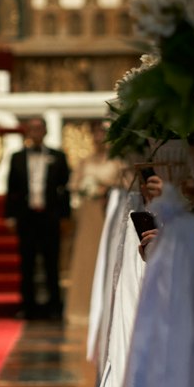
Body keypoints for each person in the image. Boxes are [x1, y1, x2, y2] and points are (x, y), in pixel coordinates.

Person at [5, 115, 71, 320]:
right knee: (28, 263)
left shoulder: (58, 156)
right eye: (32, 128)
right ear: (27, 132)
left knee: (52, 262)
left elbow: (65, 188)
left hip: (50, 216)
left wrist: (65, 215)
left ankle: (54, 307)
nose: (35, 132)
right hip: (27, 217)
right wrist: (10, 216)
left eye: (39, 128)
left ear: (45, 131)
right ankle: (28, 307)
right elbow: (12, 189)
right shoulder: (17, 157)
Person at [66, 121, 122, 325]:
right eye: (97, 134)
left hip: (107, 212)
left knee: (108, 254)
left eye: (103, 134)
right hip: (89, 214)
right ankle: (82, 308)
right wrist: (84, 188)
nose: (99, 139)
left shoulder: (117, 161)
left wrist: (105, 188)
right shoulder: (84, 161)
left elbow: (124, 182)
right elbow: (73, 183)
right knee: (87, 257)